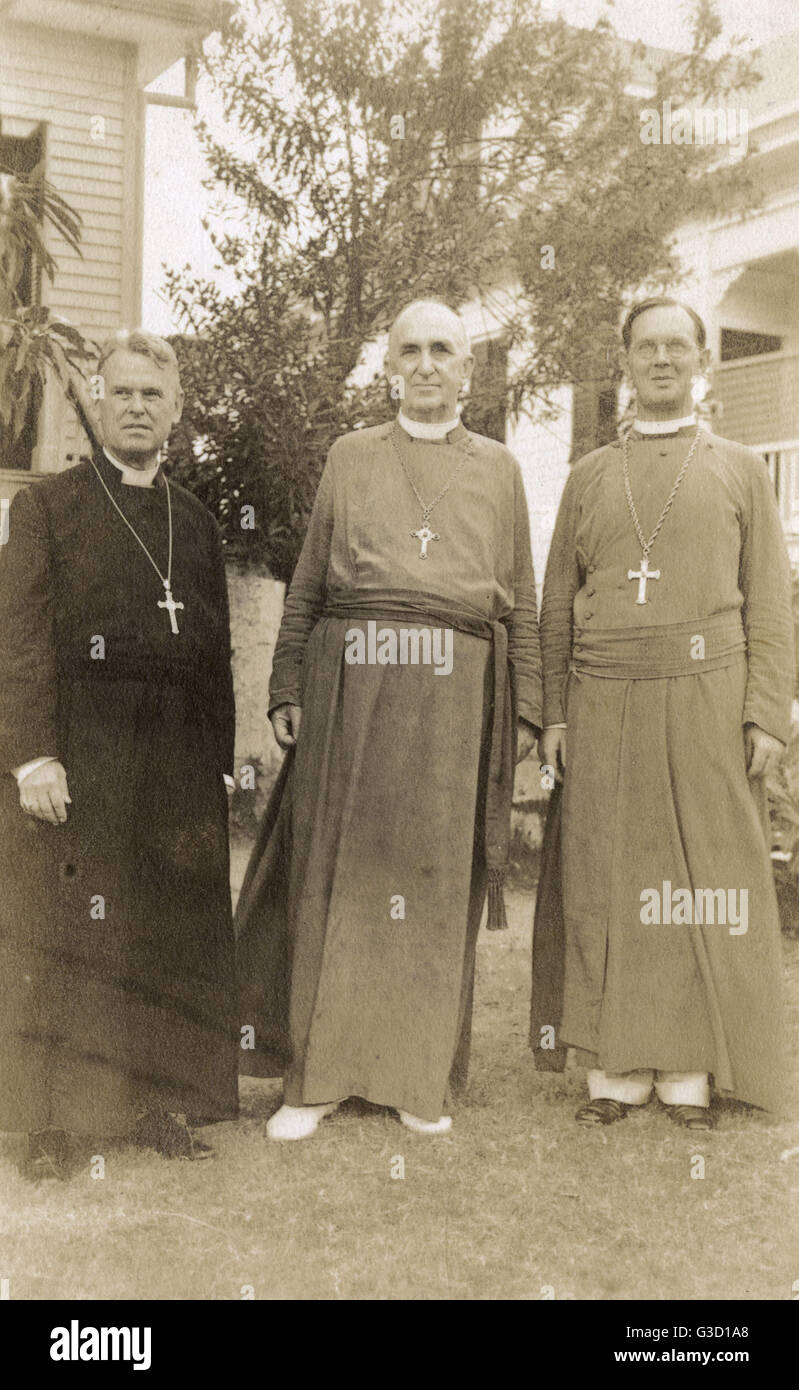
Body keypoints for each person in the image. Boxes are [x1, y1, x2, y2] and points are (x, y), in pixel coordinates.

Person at [236, 298, 542, 1140]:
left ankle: (413, 1075)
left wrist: (525, 710)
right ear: (389, 367)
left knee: (433, 881)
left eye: (444, 349)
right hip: (353, 679)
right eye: (410, 350)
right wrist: (286, 682)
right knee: (337, 875)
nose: (427, 364)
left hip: (456, 694)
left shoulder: (500, 468)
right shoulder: (349, 455)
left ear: (469, 371)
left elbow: (522, 596)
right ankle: (317, 1080)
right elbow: (305, 582)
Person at [533, 297, 794, 1130]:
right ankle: (614, 1066)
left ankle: (685, 1064)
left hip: (708, 699)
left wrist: (765, 715)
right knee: (612, 878)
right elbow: (553, 612)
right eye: (645, 348)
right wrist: (554, 719)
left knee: (696, 883)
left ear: (700, 362)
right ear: (624, 362)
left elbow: (769, 605)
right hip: (604, 697)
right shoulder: (587, 476)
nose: (660, 361)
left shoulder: (739, 468)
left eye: (676, 347)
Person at [0, 330, 238, 1177]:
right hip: (82, 748)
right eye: (123, 393)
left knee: (166, 933)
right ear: (97, 404)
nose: (138, 407)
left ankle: (154, 1102)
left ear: (175, 412)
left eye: (154, 395)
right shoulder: (48, 508)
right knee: (70, 935)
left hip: (176, 758)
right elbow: (19, 639)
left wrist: (219, 759)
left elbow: (214, 653)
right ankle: (52, 1121)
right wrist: (32, 756)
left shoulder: (198, 522)